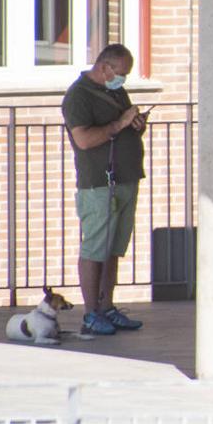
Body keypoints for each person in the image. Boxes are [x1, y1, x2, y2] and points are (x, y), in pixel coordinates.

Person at [61, 44, 147, 336]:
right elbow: (84, 139)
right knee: (95, 248)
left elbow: (122, 124)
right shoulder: (78, 96)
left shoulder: (115, 91)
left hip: (125, 178)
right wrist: (119, 123)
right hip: (99, 183)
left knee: (113, 249)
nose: (122, 80)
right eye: (120, 73)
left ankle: (107, 306)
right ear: (104, 67)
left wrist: (135, 123)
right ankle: (90, 313)